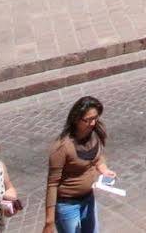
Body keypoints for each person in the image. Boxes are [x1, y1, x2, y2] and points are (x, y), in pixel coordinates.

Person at [44, 97, 112, 233]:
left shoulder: (94, 134)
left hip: (88, 199)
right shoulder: (62, 147)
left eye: (95, 118)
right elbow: (52, 184)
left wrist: (104, 169)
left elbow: (97, 156)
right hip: (68, 205)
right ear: (76, 119)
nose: (92, 123)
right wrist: (49, 222)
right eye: (88, 120)